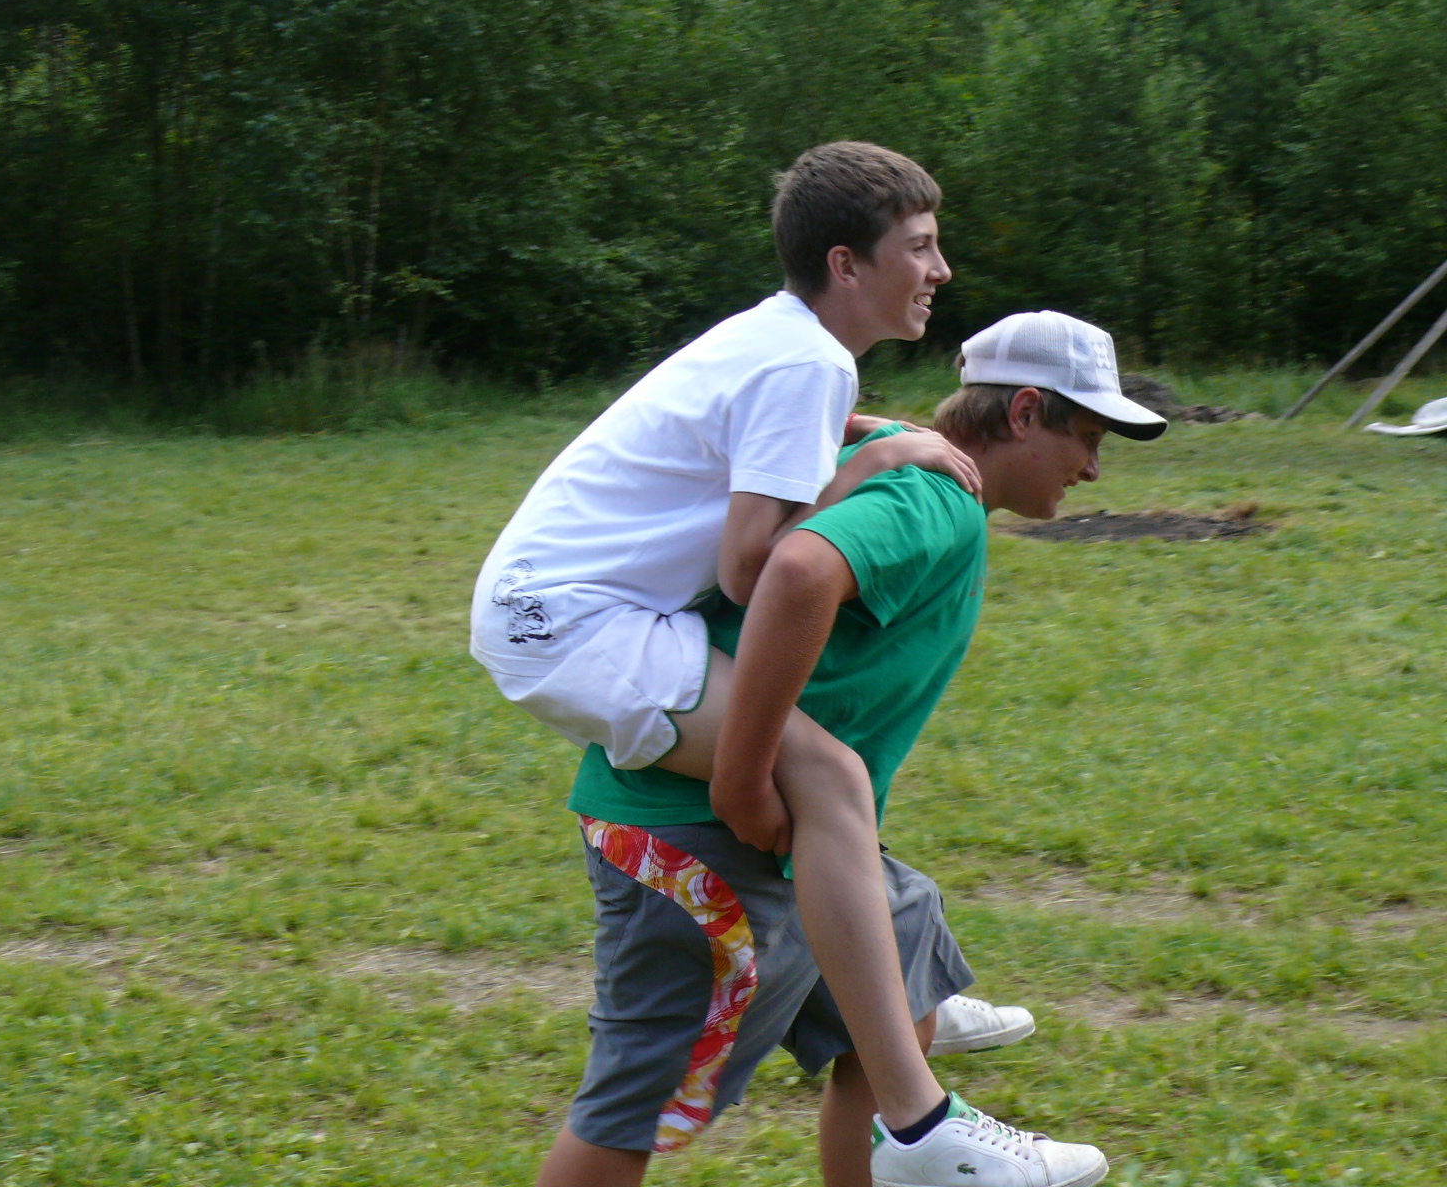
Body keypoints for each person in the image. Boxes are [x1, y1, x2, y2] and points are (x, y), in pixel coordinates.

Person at [536, 311, 1168, 1187]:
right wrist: (744, 776)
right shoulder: (934, 501)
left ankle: (917, 1140)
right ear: (1025, 413)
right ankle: (922, 1125)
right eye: (1088, 438)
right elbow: (797, 570)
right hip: (699, 843)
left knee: (907, 967)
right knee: (633, 1117)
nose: (1093, 468)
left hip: (792, 834)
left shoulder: (909, 473)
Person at [471, 142, 993, 1143]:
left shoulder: (786, 343)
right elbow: (755, 567)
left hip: (558, 612)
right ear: (847, 264)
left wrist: (867, 429)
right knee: (827, 777)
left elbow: (774, 436)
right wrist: (881, 454)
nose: (940, 269)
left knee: (821, 782)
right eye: (921, 246)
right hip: (567, 624)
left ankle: (883, 994)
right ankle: (915, 1105)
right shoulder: (804, 360)